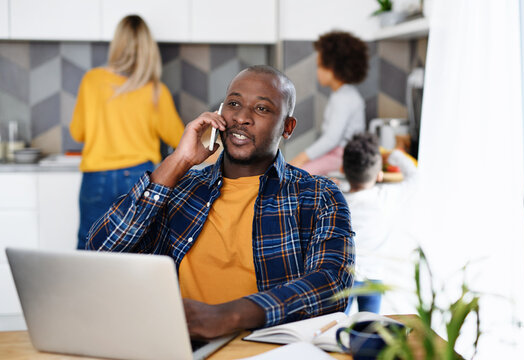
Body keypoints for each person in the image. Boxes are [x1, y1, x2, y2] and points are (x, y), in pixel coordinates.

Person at [85, 65, 355, 339]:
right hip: (179, 346)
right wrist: (179, 161)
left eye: (261, 109)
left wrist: (229, 316)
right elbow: (101, 251)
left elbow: (333, 286)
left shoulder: (318, 196)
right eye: (234, 104)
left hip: (266, 350)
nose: (242, 117)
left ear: (287, 127)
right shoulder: (181, 189)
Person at [70, 15, 184, 250]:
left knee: (89, 245)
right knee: (139, 249)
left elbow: (77, 132)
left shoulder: (92, 80)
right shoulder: (155, 91)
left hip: (97, 176)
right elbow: (178, 138)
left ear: (117, 43)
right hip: (140, 178)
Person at [341, 133, 418, 314]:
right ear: (380, 175)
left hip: (344, 278)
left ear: (343, 169)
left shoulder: (338, 198)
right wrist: (392, 154)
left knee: (336, 323)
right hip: (373, 278)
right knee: (370, 326)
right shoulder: (386, 198)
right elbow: (415, 176)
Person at [289, 31, 368, 175]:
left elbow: (332, 139)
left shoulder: (343, 99)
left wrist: (301, 158)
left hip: (342, 157)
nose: (317, 71)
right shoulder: (345, 94)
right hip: (337, 154)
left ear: (333, 68)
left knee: (297, 175)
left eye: (319, 66)